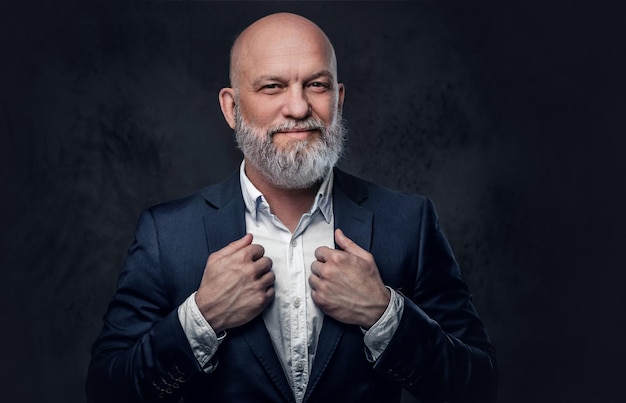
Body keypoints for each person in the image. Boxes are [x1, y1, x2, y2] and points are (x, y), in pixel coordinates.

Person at [87, 12, 497, 403]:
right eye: (272, 87)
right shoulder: (167, 234)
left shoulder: (409, 223)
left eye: (316, 85)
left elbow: (476, 388)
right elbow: (108, 393)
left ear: (338, 98)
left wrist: (383, 314)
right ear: (232, 108)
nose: (298, 108)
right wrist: (201, 317)